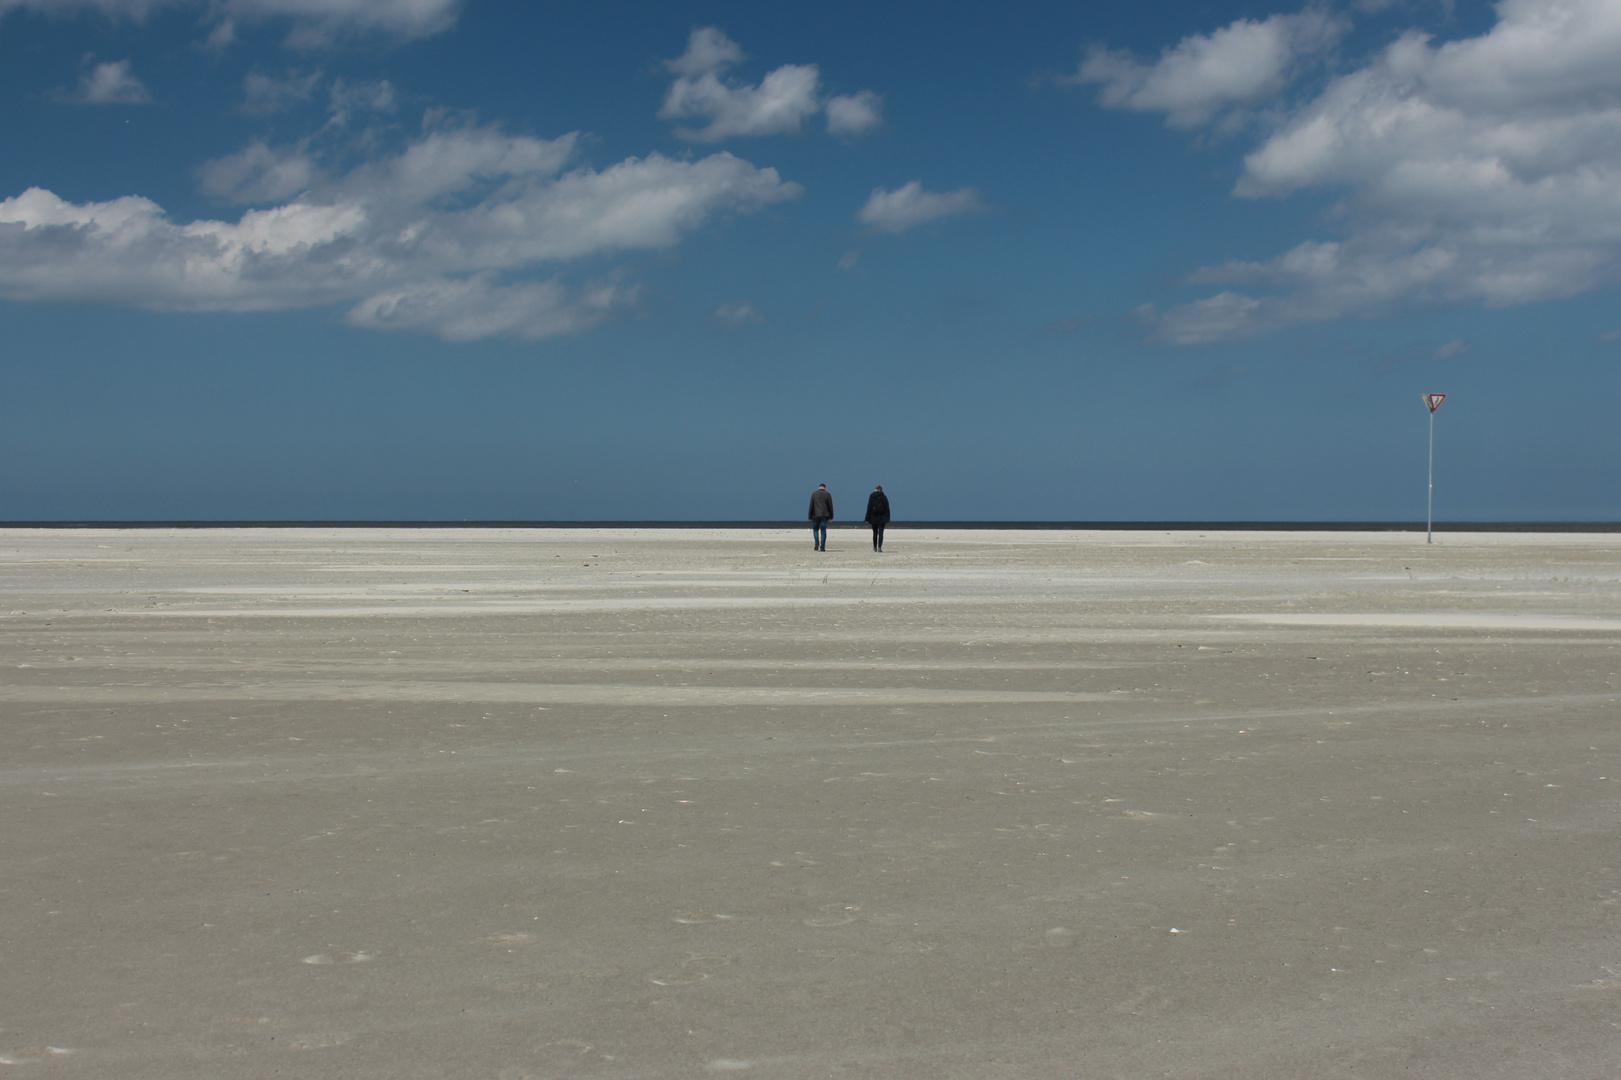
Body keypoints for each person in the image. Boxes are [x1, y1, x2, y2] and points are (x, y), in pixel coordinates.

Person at [864, 485, 890, 552]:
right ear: (881, 490)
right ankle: (879, 547)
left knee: (875, 533)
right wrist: (887, 518)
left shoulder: (872, 496)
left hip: (873, 517)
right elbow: (887, 508)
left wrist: (867, 518)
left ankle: (875, 547)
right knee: (881, 533)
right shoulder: (884, 497)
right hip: (882, 517)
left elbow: (869, 507)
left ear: (876, 489)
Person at [808, 484, 833, 551]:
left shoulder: (814, 494)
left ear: (819, 487)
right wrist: (831, 516)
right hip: (825, 515)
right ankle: (822, 547)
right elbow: (830, 506)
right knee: (823, 530)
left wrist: (810, 516)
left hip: (815, 515)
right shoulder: (827, 494)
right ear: (825, 488)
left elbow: (811, 505)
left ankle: (816, 542)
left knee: (815, 529)